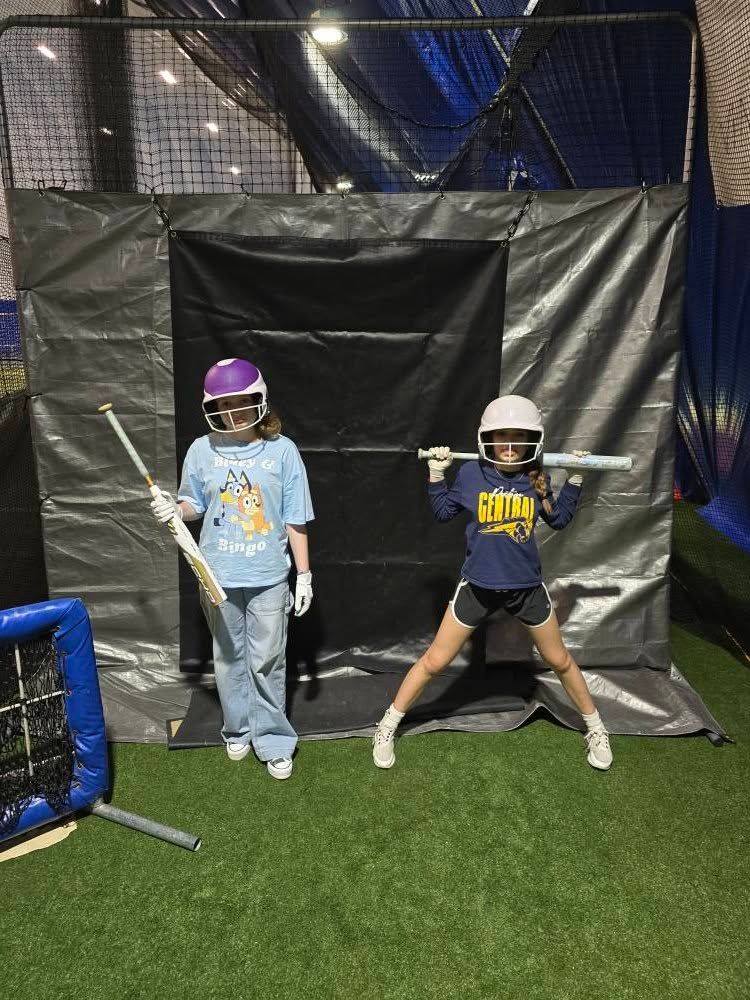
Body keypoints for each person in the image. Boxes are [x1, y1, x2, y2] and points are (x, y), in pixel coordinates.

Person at [372, 394, 612, 772]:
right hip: (478, 586)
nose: (510, 446)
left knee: (559, 660)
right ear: (488, 438)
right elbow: (443, 512)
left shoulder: (537, 477)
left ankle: (596, 728)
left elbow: (558, 518)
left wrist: (576, 478)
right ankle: (387, 724)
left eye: (519, 437)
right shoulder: (472, 474)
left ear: (532, 440)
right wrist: (436, 473)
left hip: (526, 587)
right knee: (435, 660)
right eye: (503, 436)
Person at [151, 358, 314, 780]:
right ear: (213, 408)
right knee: (227, 658)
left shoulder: (283, 451)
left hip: (268, 576)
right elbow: (193, 503)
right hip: (216, 575)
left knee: (267, 660)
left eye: (242, 401)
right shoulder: (201, 450)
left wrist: (304, 574)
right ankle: (237, 728)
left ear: (260, 399)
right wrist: (175, 509)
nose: (234, 411)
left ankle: (273, 739)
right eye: (224, 404)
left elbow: (295, 517)